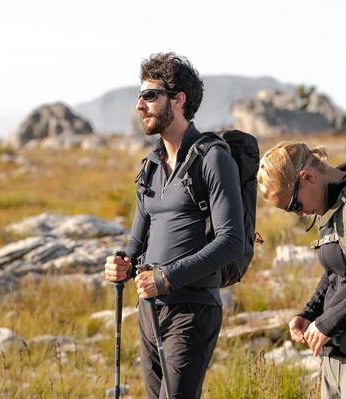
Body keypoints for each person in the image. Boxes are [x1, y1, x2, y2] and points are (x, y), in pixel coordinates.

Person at [104, 52, 245, 398]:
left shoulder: (213, 158)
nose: (140, 105)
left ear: (178, 100)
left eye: (150, 95)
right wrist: (121, 263)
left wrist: (166, 278)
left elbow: (231, 241)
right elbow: (137, 245)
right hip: (149, 311)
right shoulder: (150, 166)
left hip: (192, 311)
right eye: (140, 96)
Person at [257, 141, 346, 398]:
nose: (299, 215)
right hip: (336, 355)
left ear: (308, 177)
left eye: (294, 205)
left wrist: (328, 322)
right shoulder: (333, 204)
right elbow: (338, 272)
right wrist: (309, 313)